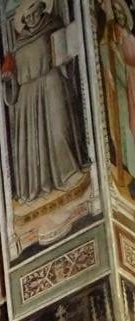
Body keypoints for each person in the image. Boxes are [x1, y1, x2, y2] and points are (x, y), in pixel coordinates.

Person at [1, 0, 85, 204]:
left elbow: (66, 52)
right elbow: (12, 75)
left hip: (51, 82)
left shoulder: (54, 26)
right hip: (26, 95)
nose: (30, 19)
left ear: (41, 9)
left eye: (33, 13)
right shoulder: (18, 44)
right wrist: (9, 79)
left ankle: (68, 173)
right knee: (31, 144)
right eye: (26, 17)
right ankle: (37, 186)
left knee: (59, 129)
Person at [100, 0, 135, 191]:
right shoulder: (107, 41)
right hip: (123, 93)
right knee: (124, 126)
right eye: (115, 12)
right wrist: (111, 48)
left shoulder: (130, 39)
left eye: (120, 12)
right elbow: (110, 70)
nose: (118, 15)